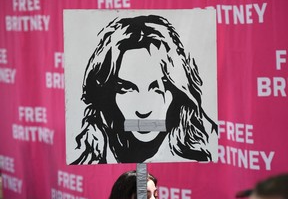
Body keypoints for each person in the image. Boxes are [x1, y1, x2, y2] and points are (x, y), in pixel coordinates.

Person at [71, 14, 218, 164]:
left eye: (157, 88)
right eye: (127, 88)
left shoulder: (205, 149)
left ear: (178, 90)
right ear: (106, 93)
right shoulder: (91, 155)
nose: (143, 110)